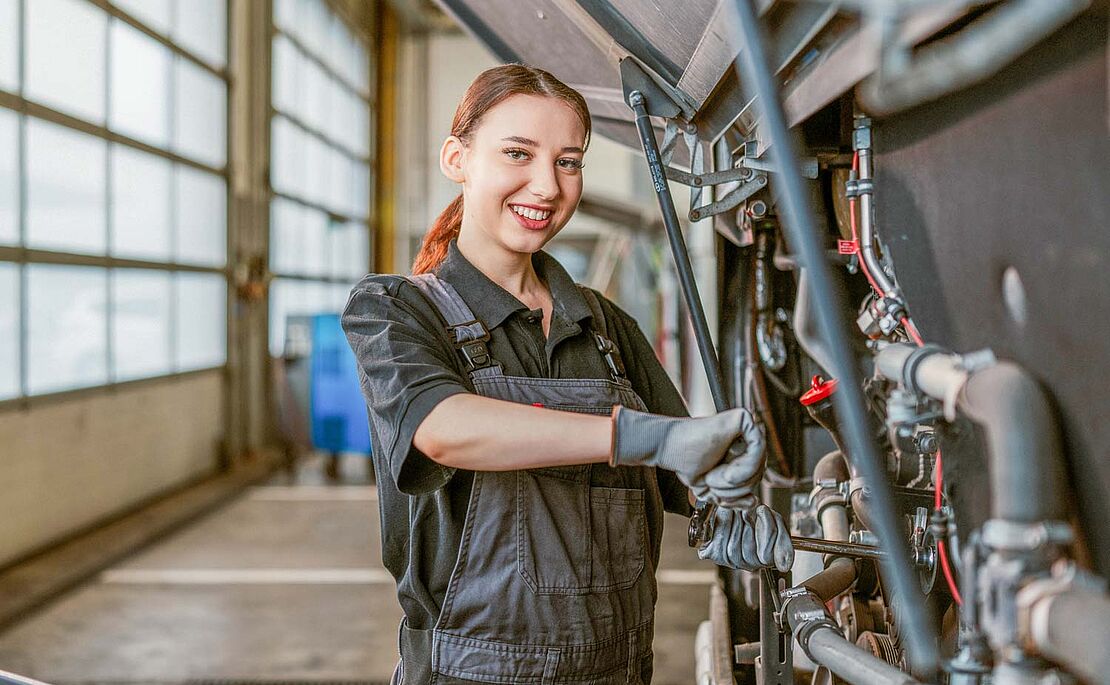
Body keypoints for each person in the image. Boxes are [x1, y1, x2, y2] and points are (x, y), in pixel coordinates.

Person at [342, 64, 794, 685]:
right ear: (457, 158)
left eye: (568, 162)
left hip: (619, 670)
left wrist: (729, 509)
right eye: (517, 154)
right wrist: (640, 436)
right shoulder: (396, 310)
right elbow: (443, 428)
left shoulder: (606, 328)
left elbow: (682, 475)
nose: (546, 186)